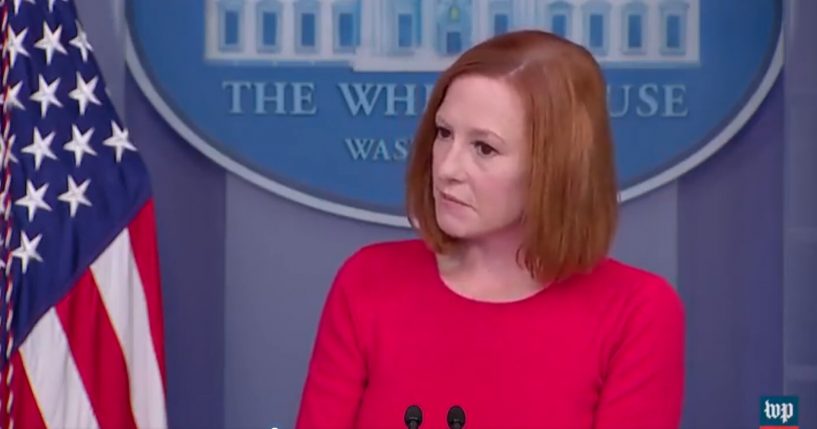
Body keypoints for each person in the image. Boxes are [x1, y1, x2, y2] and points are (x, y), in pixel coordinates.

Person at [295, 30, 684, 429]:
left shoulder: (636, 314)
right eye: (444, 133)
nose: (446, 168)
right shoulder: (368, 281)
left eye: (484, 148)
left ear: (558, 168)